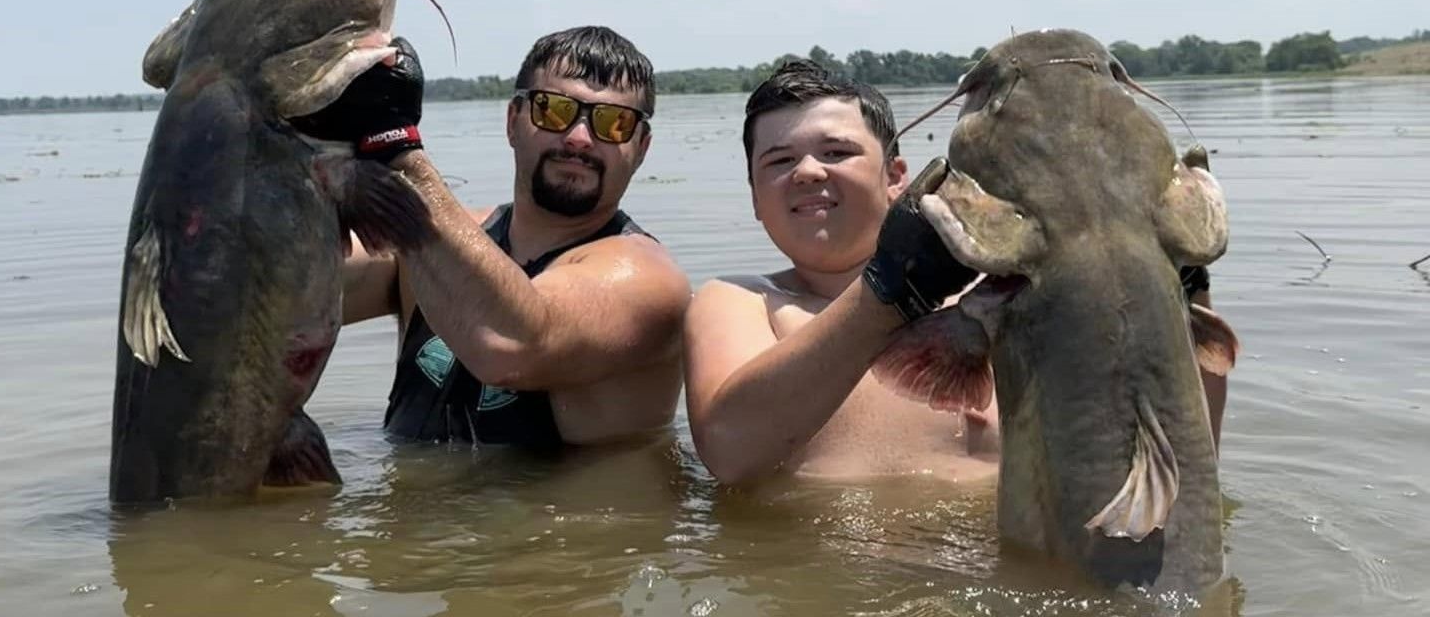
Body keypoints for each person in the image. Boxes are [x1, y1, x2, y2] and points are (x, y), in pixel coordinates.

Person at [308, 25, 691, 449]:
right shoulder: (429, 244)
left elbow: (514, 345)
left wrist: (396, 148)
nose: (580, 138)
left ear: (642, 147)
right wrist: (307, 133)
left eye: (613, 123)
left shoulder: (648, 281)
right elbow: (281, 289)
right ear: (513, 121)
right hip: (406, 508)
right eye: (554, 110)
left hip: (557, 516)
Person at [682, 60, 996, 486]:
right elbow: (729, 451)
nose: (808, 171)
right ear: (756, 198)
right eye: (779, 161)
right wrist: (891, 292)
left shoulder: (992, 295)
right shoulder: (738, 301)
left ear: (896, 177)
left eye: (836, 153)